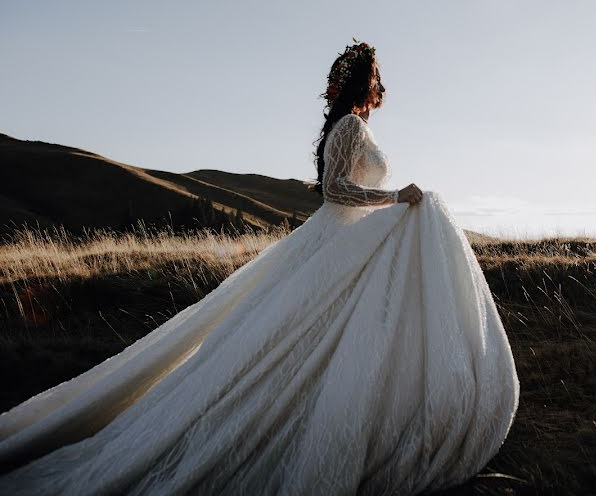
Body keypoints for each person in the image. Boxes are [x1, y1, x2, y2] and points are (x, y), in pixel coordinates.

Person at [0, 41, 520, 495]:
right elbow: (334, 190)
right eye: (377, 79)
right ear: (368, 83)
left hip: (350, 239)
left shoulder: (350, 125)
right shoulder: (350, 126)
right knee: (293, 338)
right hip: (335, 238)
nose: (380, 88)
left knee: (329, 335)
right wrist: (394, 197)